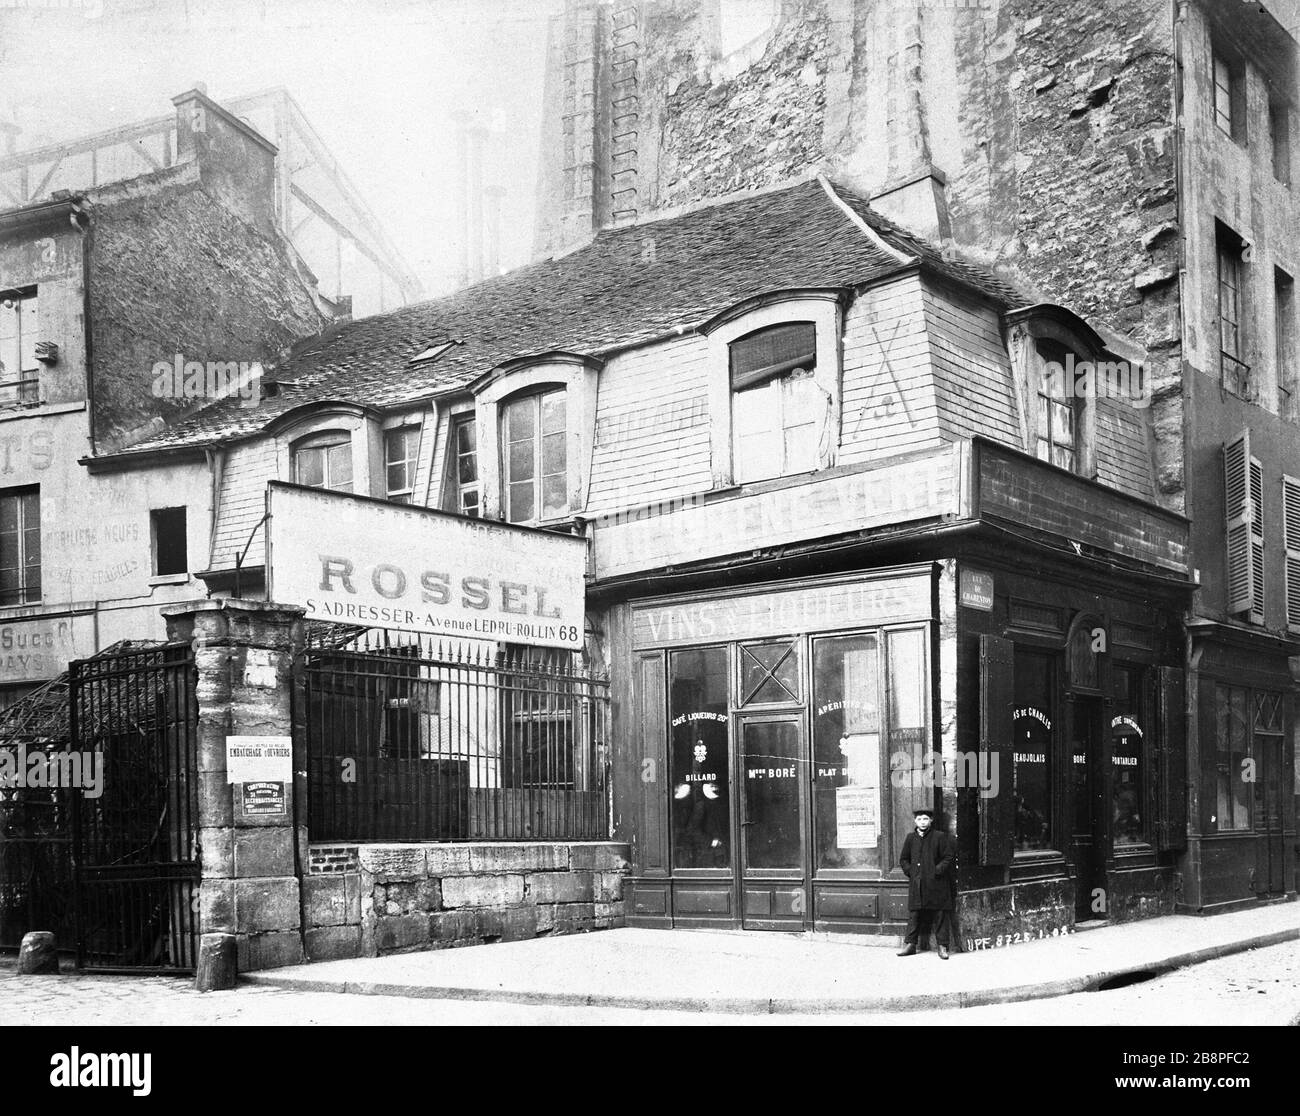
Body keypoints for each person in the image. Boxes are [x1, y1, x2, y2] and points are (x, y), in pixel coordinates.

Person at [897, 806, 956, 959]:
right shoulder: (911, 838)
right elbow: (903, 859)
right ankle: (910, 944)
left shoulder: (939, 836)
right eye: (919, 819)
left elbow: (948, 857)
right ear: (915, 821)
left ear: (931, 820)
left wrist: (937, 871)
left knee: (940, 914)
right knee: (915, 914)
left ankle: (943, 946)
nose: (922, 822)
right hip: (918, 884)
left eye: (925, 819)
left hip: (937, 883)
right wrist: (911, 872)